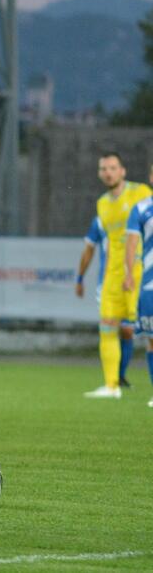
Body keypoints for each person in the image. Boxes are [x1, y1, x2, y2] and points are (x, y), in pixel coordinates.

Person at [85, 152, 150, 399]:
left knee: (144, 330)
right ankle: (111, 386)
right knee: (107, 326)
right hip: (113, 274)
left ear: (122, 170)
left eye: (113, 167)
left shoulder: (141, 192)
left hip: (140, 270)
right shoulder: (102, 203)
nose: (108, 172)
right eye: (104, 169)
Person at [74, 215, 134, 387]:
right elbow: (89, 250)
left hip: (132, 282)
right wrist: (79, 278)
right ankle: (114, 380)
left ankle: (120, 376)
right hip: (107, 283)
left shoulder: (135, 217)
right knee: (111, 327)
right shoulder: (100, 220)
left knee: (128, 330)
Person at [123, 164, 153, 408]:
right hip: (151, 285)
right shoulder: (141, 208)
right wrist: (128, 273)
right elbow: (131, 243)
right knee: (152, 340)